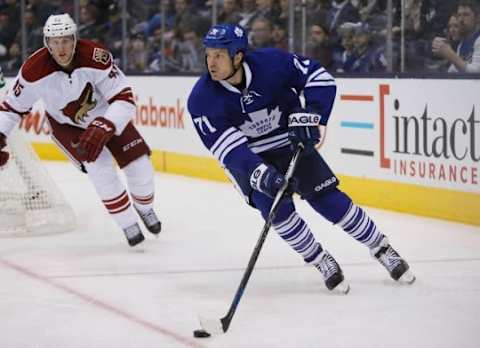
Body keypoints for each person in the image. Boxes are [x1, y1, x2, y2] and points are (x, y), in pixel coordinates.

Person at [187, 23, 415, 293]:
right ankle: (320, 260)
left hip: (290, 143)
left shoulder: (272, 63)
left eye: (219, 55)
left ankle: (381, 247)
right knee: (279, 213)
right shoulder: (201, 99)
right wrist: (263, 175)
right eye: (209, 54)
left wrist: (310, 116)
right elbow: (230, 151)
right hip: (250, 158)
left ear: (238, 56)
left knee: (329, 200)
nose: (211, 63)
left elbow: (320, 78)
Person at [0, 14, 161, 247]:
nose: (61, 48)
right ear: (47, 43)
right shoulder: (33, 70)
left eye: (65, 40)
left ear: (75, 39)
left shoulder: (95, 56)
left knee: (141, 167)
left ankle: (144, 208)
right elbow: (11, 108)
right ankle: (128, 223)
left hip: (108, 116)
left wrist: (106, 124)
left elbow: (124, 97)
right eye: (54, 42)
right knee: (101, 171)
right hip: (68, 127)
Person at [432, 0, 480, 73]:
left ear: (478, 18)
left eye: (466, 15)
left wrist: (451, 55)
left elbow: (476, 73)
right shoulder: (463, 43)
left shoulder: (478, 39)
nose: (461, 19)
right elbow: (454, 71)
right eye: (459, 15)